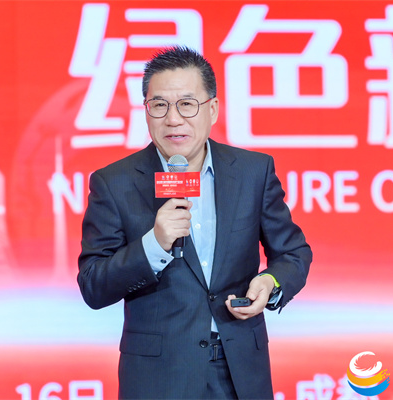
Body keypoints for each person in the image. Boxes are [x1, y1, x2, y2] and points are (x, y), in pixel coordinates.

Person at [78, 46, 312, 400]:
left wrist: (270, 282)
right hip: (159, 378)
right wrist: (154, 245)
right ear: (146, 111)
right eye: (159, 105)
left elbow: (294, 253)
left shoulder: (253, 172)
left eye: (187, 104)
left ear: (212, 109)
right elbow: (93, 286)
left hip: (239, 372)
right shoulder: (114, 182)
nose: (173, 119)